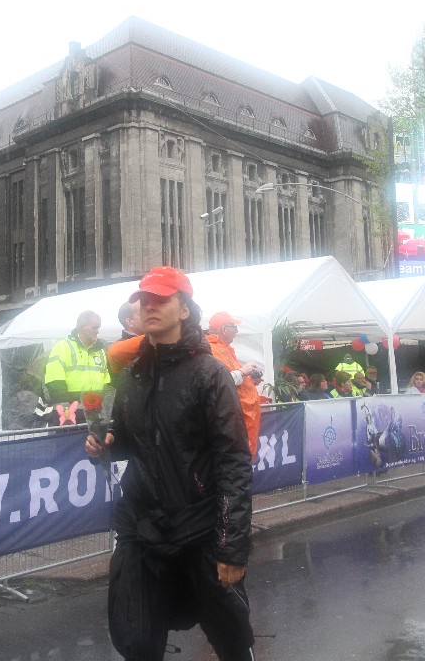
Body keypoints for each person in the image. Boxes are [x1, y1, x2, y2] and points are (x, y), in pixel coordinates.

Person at [85, 265, 253, 661]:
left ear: (184, 310)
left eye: (160, 299)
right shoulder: (132, 374)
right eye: (144, 300)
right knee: (136, 640)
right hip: (142, 525)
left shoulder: (209, 374)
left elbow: (233, 461)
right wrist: (106, 444)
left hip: (200, 526)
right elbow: (128, 440)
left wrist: (232, 547)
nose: (149, 306)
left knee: (230, 636)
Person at [206, 311, 263, 461]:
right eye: (234, 327)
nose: (236, 331)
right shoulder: (213, 350)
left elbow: (232, 379)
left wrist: (248, 380)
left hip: (236, 419)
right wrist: (242, 372)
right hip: (231, 419)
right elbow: (218, 382)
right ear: (224, 329)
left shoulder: (223, 349)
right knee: (236, 459)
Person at [43, 310, 109, 426]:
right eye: (95, 327)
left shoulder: (100, 351)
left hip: (96, 414)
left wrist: (105, 406)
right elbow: (54, 382)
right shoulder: (62, 347)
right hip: (71, 415)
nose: (98, 331)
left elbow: (107, 381)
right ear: (82, 327)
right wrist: (66, 411)